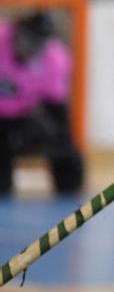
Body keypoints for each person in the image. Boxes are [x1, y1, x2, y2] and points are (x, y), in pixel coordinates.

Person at [0, 12, 81, 195]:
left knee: (65, 152)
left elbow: (56, 108)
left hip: (23, 118)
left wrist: (64, 146)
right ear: (17, 34)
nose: (34, 48)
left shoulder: (54, 60)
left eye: (40, 43)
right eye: (30, 40)